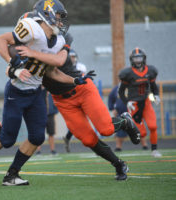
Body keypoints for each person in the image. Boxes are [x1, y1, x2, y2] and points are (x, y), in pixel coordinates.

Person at [0, 0, 92, 186]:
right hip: (17, 91)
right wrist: (12, 63)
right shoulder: (32, 29)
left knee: (37, 137)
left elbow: (52, 71)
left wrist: (74, 80)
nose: (60, 21)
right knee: (7, 139)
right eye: (58, 16)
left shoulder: (58, 41)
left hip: (36, 93)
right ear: (46, 14)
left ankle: (12, 174)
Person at [40, 32, 142, 180]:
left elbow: (59, 62)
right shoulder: (27, 53)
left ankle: (125, 121)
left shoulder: (58, 38)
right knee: (88, 140)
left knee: (106, 129)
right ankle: (118, 164)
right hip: (62, 101)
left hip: (81, 89)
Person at [118, 47, 162, 158]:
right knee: (141, 134)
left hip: (146, 102)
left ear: (144, 58)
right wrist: (127, 101)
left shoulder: (150, 71)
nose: (138, 60)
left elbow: (153, 85)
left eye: (140, 57)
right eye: (135, 58)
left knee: (153, 126)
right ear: (131, 60)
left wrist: (156, 95)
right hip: (134, 105)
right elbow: (121, 91)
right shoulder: (127, 73)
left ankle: (154, 150)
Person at [62, 49, 87, 153]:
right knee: (75, 121)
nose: (72, 59)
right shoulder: (63, 67)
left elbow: (85, 81)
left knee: (83, 120)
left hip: (82, 94)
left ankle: (68, 138)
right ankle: (69, 138)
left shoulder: (81, 67)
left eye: (73, 57)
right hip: (70, 96)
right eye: (70, 57)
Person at [36, 88, 59, 155]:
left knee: (51, 133)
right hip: (40, 115)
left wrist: (54, 111)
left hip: (50, 115)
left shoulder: (52, 93)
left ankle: (52, 150)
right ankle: (38, 151)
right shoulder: (39, 92)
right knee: (39, 134)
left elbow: (56, 102)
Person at [108, 85, 130, 152]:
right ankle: (118, 147)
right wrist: (112, 108)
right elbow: (110, 98)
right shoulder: (117, 88)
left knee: (139, 129)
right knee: (120, 129)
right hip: (120, 113)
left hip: (133, 111)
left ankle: (145, 146)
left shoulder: (133, 86)